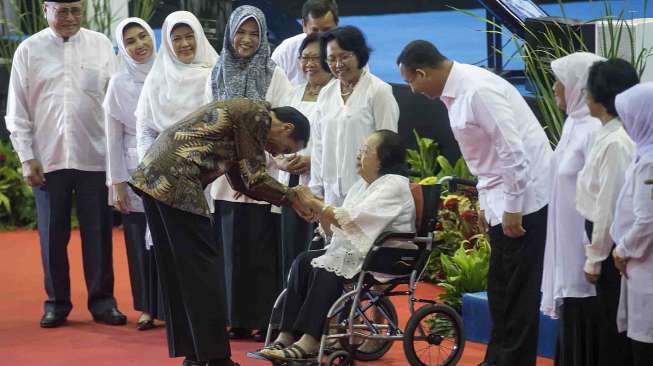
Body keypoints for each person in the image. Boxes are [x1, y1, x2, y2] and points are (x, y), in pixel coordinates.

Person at [397, 40, 552, 366]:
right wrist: (487, 201)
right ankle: (497, 359)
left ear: (423, 72)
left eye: (411, 80)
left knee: (518, 292)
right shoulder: (456, 91)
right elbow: (485, 158)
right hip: (503, 195)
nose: (411, 89)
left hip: (527, 200)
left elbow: (513, 151)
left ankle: (512, 362)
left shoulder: (477, 90)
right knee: (500, 289)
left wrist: (512, 206)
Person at [131, 98, 313, 366]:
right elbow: (254, 178)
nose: (275, 153)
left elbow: (241, 180)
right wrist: (293, 197)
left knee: (181, 274)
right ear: (286, 127)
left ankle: (195, 355)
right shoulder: (257, 115)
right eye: (284, 148)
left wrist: (287, 198)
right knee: (204, 274)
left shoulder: (245, 112)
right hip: (176, 182)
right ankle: (216, 359)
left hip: (153, 177)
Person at [4, 0, 125, 328]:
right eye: (63, 11)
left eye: (76, 10)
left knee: (98, 235)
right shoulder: (29, 51)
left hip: (95, 157)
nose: (70, 18)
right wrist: (27, 158)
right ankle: (57, 303)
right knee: (52, 236)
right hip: (48, 159)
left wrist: (120, 159)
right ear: (46, 9)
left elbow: (117, 102)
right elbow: (17, 111)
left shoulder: (101, 45)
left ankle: (102, 301)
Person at [260, 130, 416, 361]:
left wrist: (316, 203)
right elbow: (340, 225)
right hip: (362, 251)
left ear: (385, 157)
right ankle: (286, 333)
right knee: (304, 261)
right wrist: (317, 210)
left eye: (365, 151)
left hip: (387, 254)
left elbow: (352, 220)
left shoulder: (393, 184)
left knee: (327, 270)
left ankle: (310, 339)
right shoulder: (363, 185)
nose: (358, 156)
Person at [207, 4, 292, 342]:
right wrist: (232, 171)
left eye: (253, 33)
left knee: (261, 251)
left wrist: (252, 171)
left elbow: (281, 129)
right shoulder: (216, 72)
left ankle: (261, 318)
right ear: (230, 33)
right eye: (240, 32)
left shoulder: (275, 75)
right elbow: (209, 124)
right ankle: (234, 318)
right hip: (225, 181)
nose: (246, 39)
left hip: (262, 177)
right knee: (230, 252)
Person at [539, 52, 605, 366]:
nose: (554, 87)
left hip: (584, 247)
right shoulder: (573, 124)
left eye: (560, 81)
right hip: (565, 246)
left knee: (586, 322)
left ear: (579, 85)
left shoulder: (594, 130)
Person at [575, 58, 640, 366]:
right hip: (603, 233)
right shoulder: (607, 132)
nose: (584, 96)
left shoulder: (616, 142)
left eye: (588, 91)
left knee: (613, 319)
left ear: (601, 98)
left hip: (609, 238)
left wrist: (595, 257)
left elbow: (608, 206)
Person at [104, 17, 164, 331]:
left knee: (167, 239)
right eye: (130, 41)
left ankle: (169, 305)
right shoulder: (118, 83)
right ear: (122, 48)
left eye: (143, 37)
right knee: (139, 244)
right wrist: (117, 182)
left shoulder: (168, 69)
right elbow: (112, 135)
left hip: (169, 168)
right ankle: (146, 308)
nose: (139, 45)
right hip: (133, 170)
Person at [310, 25, 399, 209]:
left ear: (359, 54)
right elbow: (318, 147)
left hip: (368, 194)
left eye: (344, 56)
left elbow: (389, 147)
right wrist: (316, 191)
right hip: (331, 196)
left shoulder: (378, 91)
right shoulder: (326, 94)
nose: (338, 65)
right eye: (331, 59)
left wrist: (381, 191)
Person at [277, 32, 334, 284]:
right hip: (290, 183)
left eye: (315, 58)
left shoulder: (336, 94)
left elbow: (339, 141)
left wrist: (312, 161)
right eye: (304, 57)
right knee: (291, 249)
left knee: (316, 248)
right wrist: (281, 160)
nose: (309, 64)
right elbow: (275, 134)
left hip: (321, 184)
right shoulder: (292, 93)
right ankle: (291, 309)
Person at [135, 10, 218, 160]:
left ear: (199, 36)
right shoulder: (156, 79)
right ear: (167, 42)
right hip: (166, 168)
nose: (185, 44)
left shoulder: (215, 75)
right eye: (177, 39)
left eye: (189, 37)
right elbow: (145, 132)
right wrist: (147, 170)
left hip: (207, 165)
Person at [611, 82, 653, 366]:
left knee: (645, 347)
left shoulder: (649, 161)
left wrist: (623, 248)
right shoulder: (643, 153)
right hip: (641, 267)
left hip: (645, 266)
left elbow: (648, 219)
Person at [272, 0, 338, 85]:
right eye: (315, 30)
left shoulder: (347, 50)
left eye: (326, 30)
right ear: (304, 25)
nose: (321, 36)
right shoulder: (285, 51)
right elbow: (271, 88)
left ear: (336, 25)